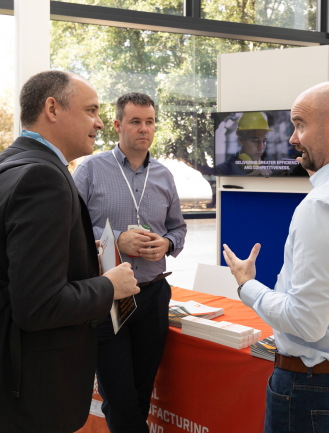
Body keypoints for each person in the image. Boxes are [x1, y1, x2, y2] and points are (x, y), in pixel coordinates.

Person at [0, 71, 140, 433]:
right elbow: (38, 305)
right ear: (52, 108)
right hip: (24, 394)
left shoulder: (10, 162)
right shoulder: (43, 178)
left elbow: (10, 261)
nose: (99, 123)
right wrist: (110, 285)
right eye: (91, 111)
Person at [222, 82, 329, 433]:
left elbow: (306, 323)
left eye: (300, 124)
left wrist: (247, 285)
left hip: (310, 383)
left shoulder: (322, 205)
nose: (291, 139)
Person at [73, 92, 187, 433]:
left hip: (153, 293)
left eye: (149, 122)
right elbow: (69, 226)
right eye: (135, 121)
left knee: (141, 389)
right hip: (108, 296)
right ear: (118, 125)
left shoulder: (165, 175)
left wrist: (166, 243)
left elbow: (178, 229)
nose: (144, 129)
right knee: (118, 394)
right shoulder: (91, 169)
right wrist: (116, 238)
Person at [215, 111, 273, 176]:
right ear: (241, 140)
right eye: (255, 141)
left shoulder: (269, 170)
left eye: (264, 141)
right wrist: (250, 177)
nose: (261, 147)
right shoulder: (222, 170)